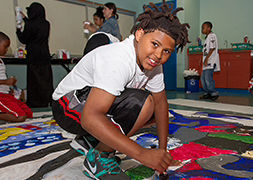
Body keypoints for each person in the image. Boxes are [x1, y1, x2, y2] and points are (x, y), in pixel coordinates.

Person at [52, 1, 189, 179]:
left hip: (87, 103)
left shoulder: (153, 62)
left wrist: (162, 154)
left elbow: (162, 104)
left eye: (166, 51)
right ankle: (99, 157)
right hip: (66, 106)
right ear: (139, 34)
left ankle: (92, 140)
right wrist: (142, 154)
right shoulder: (119, 59)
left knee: (154, 110)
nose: (158, 55)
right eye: (154, 44)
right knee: (144, 104)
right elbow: (90, 118)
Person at [16, 2, 53, 108]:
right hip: (45, 56)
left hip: (34, 56)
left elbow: (24, 38)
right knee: (45, 81)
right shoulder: (46, 23)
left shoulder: (30, 24)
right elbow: (35, 27)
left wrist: (18, 30)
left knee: (34, 81)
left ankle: (36, 103)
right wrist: (26, 19)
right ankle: (47, 101)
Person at [0, 32, 33, 122]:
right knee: (20, 117)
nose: (7, 50)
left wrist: (9, 88)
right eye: (5, 47)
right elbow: (3, 81)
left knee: (28, 113)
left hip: (5, 94)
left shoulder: (1, 61)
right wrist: (6, 82)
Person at [200, 21, 220, 101]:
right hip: (206, 62)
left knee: (208, 78)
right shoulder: (207, 37)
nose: (202, 30)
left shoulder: (212, 36)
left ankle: (213, 93)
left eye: (203, 28)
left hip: (210, 61)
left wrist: (207, 59)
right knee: (203, 78)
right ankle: (207, 93)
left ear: (209, 28)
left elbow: (212, 48)